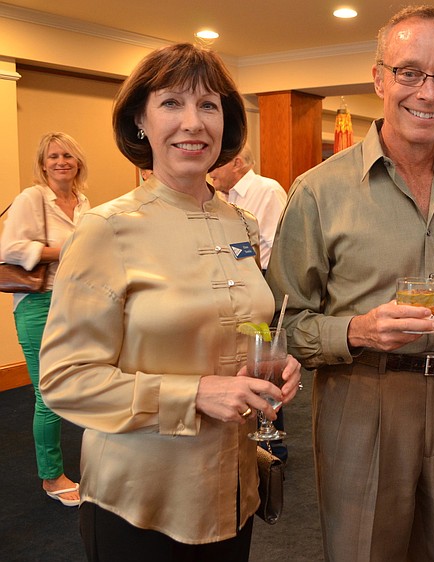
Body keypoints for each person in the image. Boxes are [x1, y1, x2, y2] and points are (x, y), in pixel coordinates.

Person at [265, 5, 434, 561]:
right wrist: (356, 331)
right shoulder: (320, 191)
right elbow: (281, 325)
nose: (427, 92)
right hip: (358, 395)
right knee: (367, 550)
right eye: (409, 72)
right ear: (379, 77)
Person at [39, 43, 301, 561]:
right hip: (141, 498)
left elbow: (248, 323)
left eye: (209, 106)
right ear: (140, 119)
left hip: (231, 489)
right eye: (172, 103)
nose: (193, 123)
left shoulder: (238, 222)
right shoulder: (106, 230)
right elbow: (64, 380)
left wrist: (274, 356)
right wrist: (194, 394)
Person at [0, 132, 90, 507]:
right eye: (53, 156)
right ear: (43, 164)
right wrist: (64, 249)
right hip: (38, 303)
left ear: (78, 162)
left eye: (68, 154)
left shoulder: (84, 201)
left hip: (77, 303)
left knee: (86, 384)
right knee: (47, 392)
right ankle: (51, 477)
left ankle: (98, 464)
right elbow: (10, 248)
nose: (61, 161)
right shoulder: (31, 198)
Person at [209, 145, 287, 271]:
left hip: (263, 278)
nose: (210, 172)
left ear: (237, 164)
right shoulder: (219, 197)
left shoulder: (268, 191)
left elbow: (285, 248)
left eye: (215, 164)